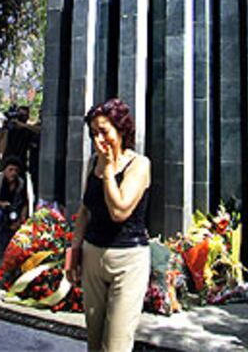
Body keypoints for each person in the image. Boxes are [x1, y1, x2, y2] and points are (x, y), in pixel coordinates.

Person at [66, 98, 151, 352]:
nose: (97, 139)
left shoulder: (139, 164)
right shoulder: (93, 162)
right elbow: (85, 211)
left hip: (128, 260)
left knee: (115, 344)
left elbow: (119, 210)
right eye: (93, 133)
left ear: (121, 130)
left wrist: (111, 168)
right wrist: (73, 255)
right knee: (93, 338)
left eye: (103, 131)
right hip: (93, 256)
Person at [0, 156, 27, 257]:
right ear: (4, 170)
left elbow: (25, 203)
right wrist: (1, 204)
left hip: (13, 211)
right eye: (10, 169)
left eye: (16, 170)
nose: (13, 173)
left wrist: (21, 219)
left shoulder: (21, 183)